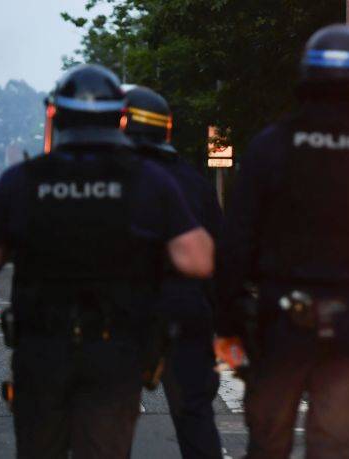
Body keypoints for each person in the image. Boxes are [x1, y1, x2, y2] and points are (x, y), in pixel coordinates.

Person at [0, 64, 214, 458]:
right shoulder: (150, 180)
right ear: (120, 117)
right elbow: (198, 260)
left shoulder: (22, 180)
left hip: (42, 348)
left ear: (56, 115)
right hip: (115, 350)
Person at [214, 24, 349, 458]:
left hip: (280, 321)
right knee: (333, 446)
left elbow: (236, 237)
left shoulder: (272, 145)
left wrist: (227, 318)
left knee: (267, 442)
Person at [123, 85, 223, 459]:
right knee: (194, 417)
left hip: (124, 315)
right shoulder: (192, 181)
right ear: (165, 129)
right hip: (185, 312)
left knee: (108, 419)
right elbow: (218, 254)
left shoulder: (110, 177)